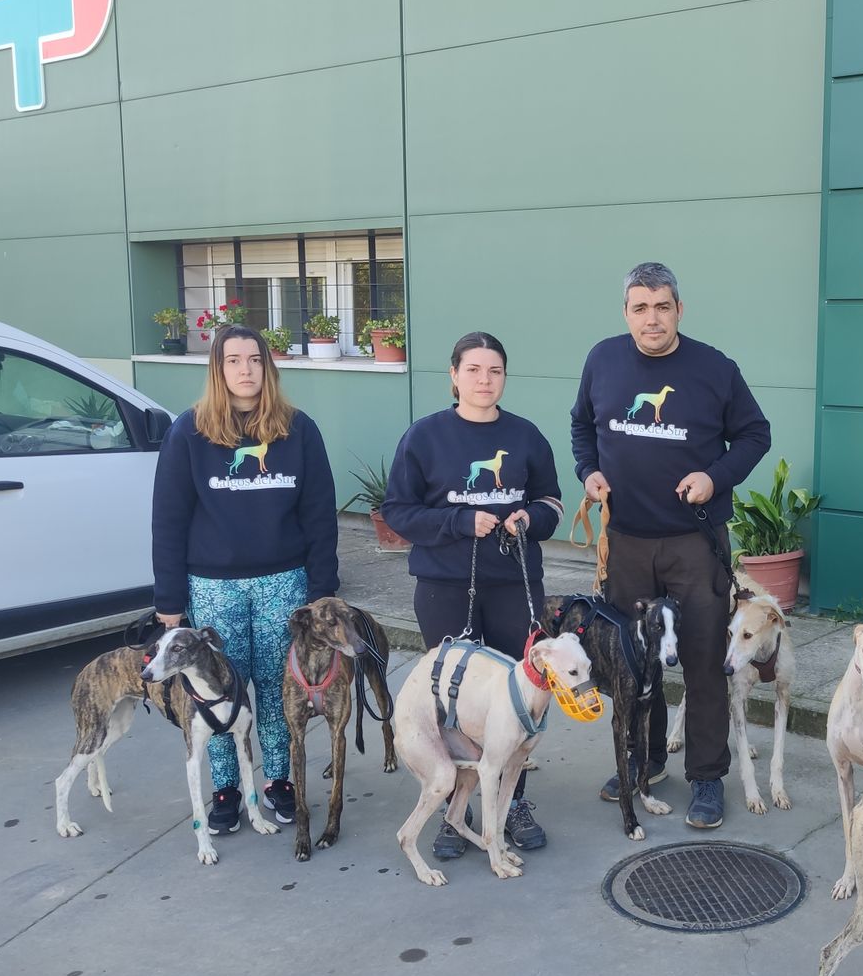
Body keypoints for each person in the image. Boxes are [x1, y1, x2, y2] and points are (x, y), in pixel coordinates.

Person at [570, 261, 771, 830]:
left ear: (679, 309)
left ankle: (707, 777)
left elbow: (756, 434)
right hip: (626, 543)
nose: (651, 318)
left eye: (662, 306)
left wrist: (715, 476)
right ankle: (646, 759)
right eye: (640, 307)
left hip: (694, 543)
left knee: (706, 662)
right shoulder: (602, 360)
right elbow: (582, 426)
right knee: (634, 665)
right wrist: (588, 472)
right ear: (626, 312)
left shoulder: (714, 369)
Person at [150, 323, 339, 834]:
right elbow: (168, 519)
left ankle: (279, 781)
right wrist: (169, 599)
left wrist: (323, 591)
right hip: (213, 584)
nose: (245, 370)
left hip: (284, 581)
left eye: (254, 359)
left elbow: (320, 515)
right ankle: (229, 789)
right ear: (218, 368)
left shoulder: (299, 430)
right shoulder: (188, 432)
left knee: (279, 689)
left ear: (267, 366)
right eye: (233, 360)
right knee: (218, 692)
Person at [382, 332, 564, 861]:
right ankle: (454, 810)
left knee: (518, 702)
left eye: (495, 371)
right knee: (454, 704)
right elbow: (399, 511)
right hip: (444, 587)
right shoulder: (425, 437)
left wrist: (531, 517)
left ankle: (513, 805)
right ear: (454, 375)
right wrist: (461, 521)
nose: (485, 380)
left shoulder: (526, 436)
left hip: (514, 587)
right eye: (475, 370)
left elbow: (551, 501)